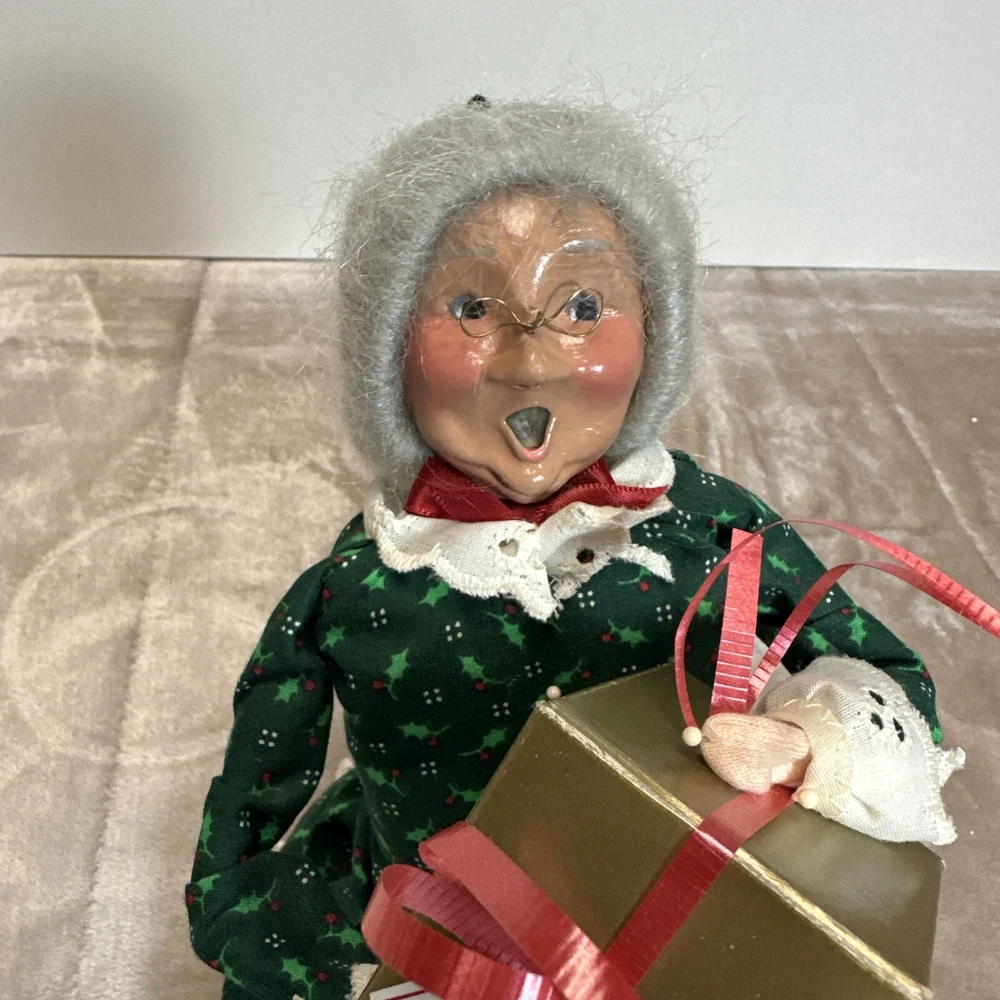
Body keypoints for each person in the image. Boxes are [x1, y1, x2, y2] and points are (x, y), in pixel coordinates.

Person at [186, 97, 962, 1000]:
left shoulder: (716, 532)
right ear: (388, 347)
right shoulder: (359, 582)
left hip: (666, 922)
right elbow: (261, 769)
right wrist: (226, 904)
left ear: (655, 329)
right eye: (471, 308)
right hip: (432, 935)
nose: (532, 362)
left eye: (583, 305)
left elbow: (891, 678)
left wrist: (802, 741)